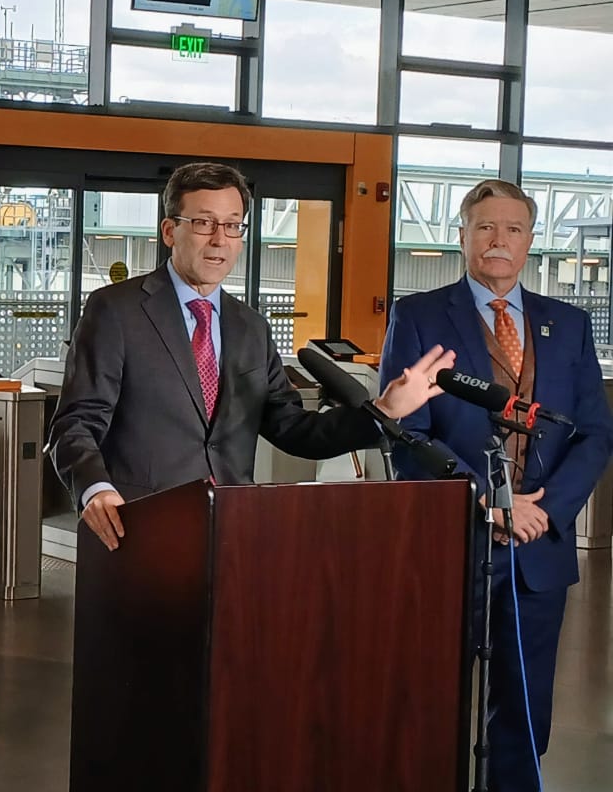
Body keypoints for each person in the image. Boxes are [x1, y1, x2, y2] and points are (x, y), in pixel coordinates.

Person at [49, 160, 455, 551]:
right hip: (137, 528)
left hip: (232, 530)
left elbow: (294, 429)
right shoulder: (116, 310)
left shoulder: (250, 327)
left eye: (232, 225)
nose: (219, 239)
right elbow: (76, 423)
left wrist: (383, 410)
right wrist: (95, 490)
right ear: (170, 231)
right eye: (204, 223)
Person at [381, 179, 613, 792]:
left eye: (513, 228)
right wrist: (484, 501)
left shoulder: (569, 324)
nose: (498, 240)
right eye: (485, 227)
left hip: (539, 546)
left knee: (526, 710)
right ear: (462, 236)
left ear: (531, 240)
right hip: (451, 542)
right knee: (428, 699)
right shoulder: (418, 315)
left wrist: (545, 511)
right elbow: (404, 432)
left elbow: (594, 433)